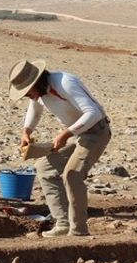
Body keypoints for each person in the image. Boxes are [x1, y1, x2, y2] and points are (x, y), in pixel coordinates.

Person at [8, 59, 112, 237]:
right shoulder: (40, 94)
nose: (27, 96)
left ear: (36, 82)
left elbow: (93, 113)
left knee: (73, 174)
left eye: (27, 92)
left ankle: (78, 230)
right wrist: (26, 131)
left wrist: (65, 134)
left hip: (96, 132)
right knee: (45, 168)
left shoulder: (65, 83)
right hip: (77, 134)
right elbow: (35, 109)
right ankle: (63, 223)